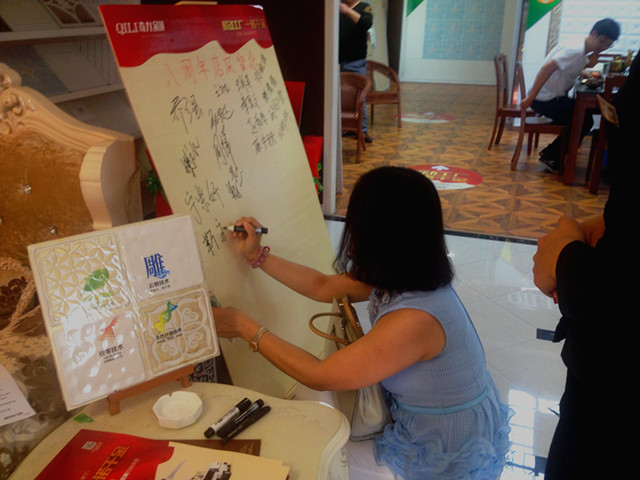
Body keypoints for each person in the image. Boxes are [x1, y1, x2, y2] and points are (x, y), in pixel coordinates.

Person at [213, 166, 512, 480]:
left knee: (306, 449)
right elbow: (322, 286)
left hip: (439, 452)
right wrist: (256, 256)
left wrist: (243, 326)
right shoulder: (410, 269)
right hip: (430, 421)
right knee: (306, 406)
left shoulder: (415, 320)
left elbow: (319, 375)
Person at [533, 53, 639, 479]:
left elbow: (616, 298)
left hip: (616, 383)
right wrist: (611, 222)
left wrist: (563, 258)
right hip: (599, 371)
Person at [521, 18, 620, 173]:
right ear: (594, 33)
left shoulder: (580, 45)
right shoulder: (575, 50)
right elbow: (547, 68)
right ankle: (551, 155)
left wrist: (585, 68)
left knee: (585, 116)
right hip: (545, 100)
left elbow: (570, 67)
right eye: (601, 41)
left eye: (608, 44)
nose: (603, 47)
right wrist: (530, 98)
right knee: (584, 119)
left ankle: (553, 154)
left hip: (550, 97)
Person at [339, 0, 373, 143]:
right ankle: (345, 127)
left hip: (355, 61)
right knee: (340, 97)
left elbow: (366, 23)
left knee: (358, 96)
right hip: (336, 61)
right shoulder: (336, 7)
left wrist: (348, 11)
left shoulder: (364, 7)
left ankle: (362, 130)